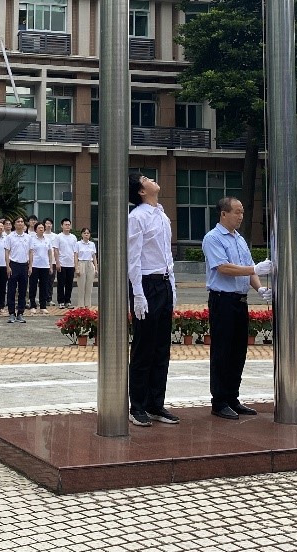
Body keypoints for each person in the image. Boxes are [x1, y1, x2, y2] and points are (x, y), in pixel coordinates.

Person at [201, 197, 264, 419]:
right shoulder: (213, 238)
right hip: (223, 300)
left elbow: (250, 268)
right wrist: (254, 269)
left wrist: (260, 288)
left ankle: (232, 397)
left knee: (238, 351)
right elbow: (223, 268)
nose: (241, 216)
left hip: (240, 301)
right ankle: (219, 401)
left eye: (242, 212)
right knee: (222, 351)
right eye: (237, 212)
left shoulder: (240, 239)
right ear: (223, 213)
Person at [127, 173, 179, 427]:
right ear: (141, 191)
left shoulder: (161, 214)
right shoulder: (137, 217)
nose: (151, 179)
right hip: (147, 284)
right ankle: (137, 406)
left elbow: (167, 254)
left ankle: (156, 404)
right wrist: (138, 293)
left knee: (161, 348)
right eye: (145, 178)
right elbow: (133, 257)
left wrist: (172, 287)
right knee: (143, 347)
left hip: (164, 283)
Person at [4, 217, 31, 324]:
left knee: (23, 291)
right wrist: (8, 266)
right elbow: (7, 252)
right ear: (14, 224)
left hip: (24, 265)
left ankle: (20, 313)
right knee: (11, 290)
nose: (20, 223)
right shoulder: (10, 237)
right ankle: (11, 313)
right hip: (13, 265)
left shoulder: (28, 237)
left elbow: (31, 252)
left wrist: (30, 266)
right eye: (18, 222)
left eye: (21, 222)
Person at [53, 219, 78, 309]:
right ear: (62, 226)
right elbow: (56, 250)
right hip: (62, 263)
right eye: (65, 224)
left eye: (68, 224)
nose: (67, 226)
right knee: (61, 283)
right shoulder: (58, 237)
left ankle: (68, 301)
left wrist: (76, 264)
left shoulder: (73, 237)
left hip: (71, 263)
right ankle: (61, 301)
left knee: (69, 283)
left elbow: (75, 251)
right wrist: (57, 262)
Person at [73, 227, 97, 308]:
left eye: (88, 233)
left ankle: (87, 304)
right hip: (81, 263)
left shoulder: (92, 244)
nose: (86, 234)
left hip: (90, 264)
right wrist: (76, 268)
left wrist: (96, 268)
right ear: (82, 234)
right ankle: (81, 305)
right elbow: (76, 256)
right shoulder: (78, 244)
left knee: (89, 286)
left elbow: (94, 257)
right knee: (81, 286)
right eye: (84, 233)